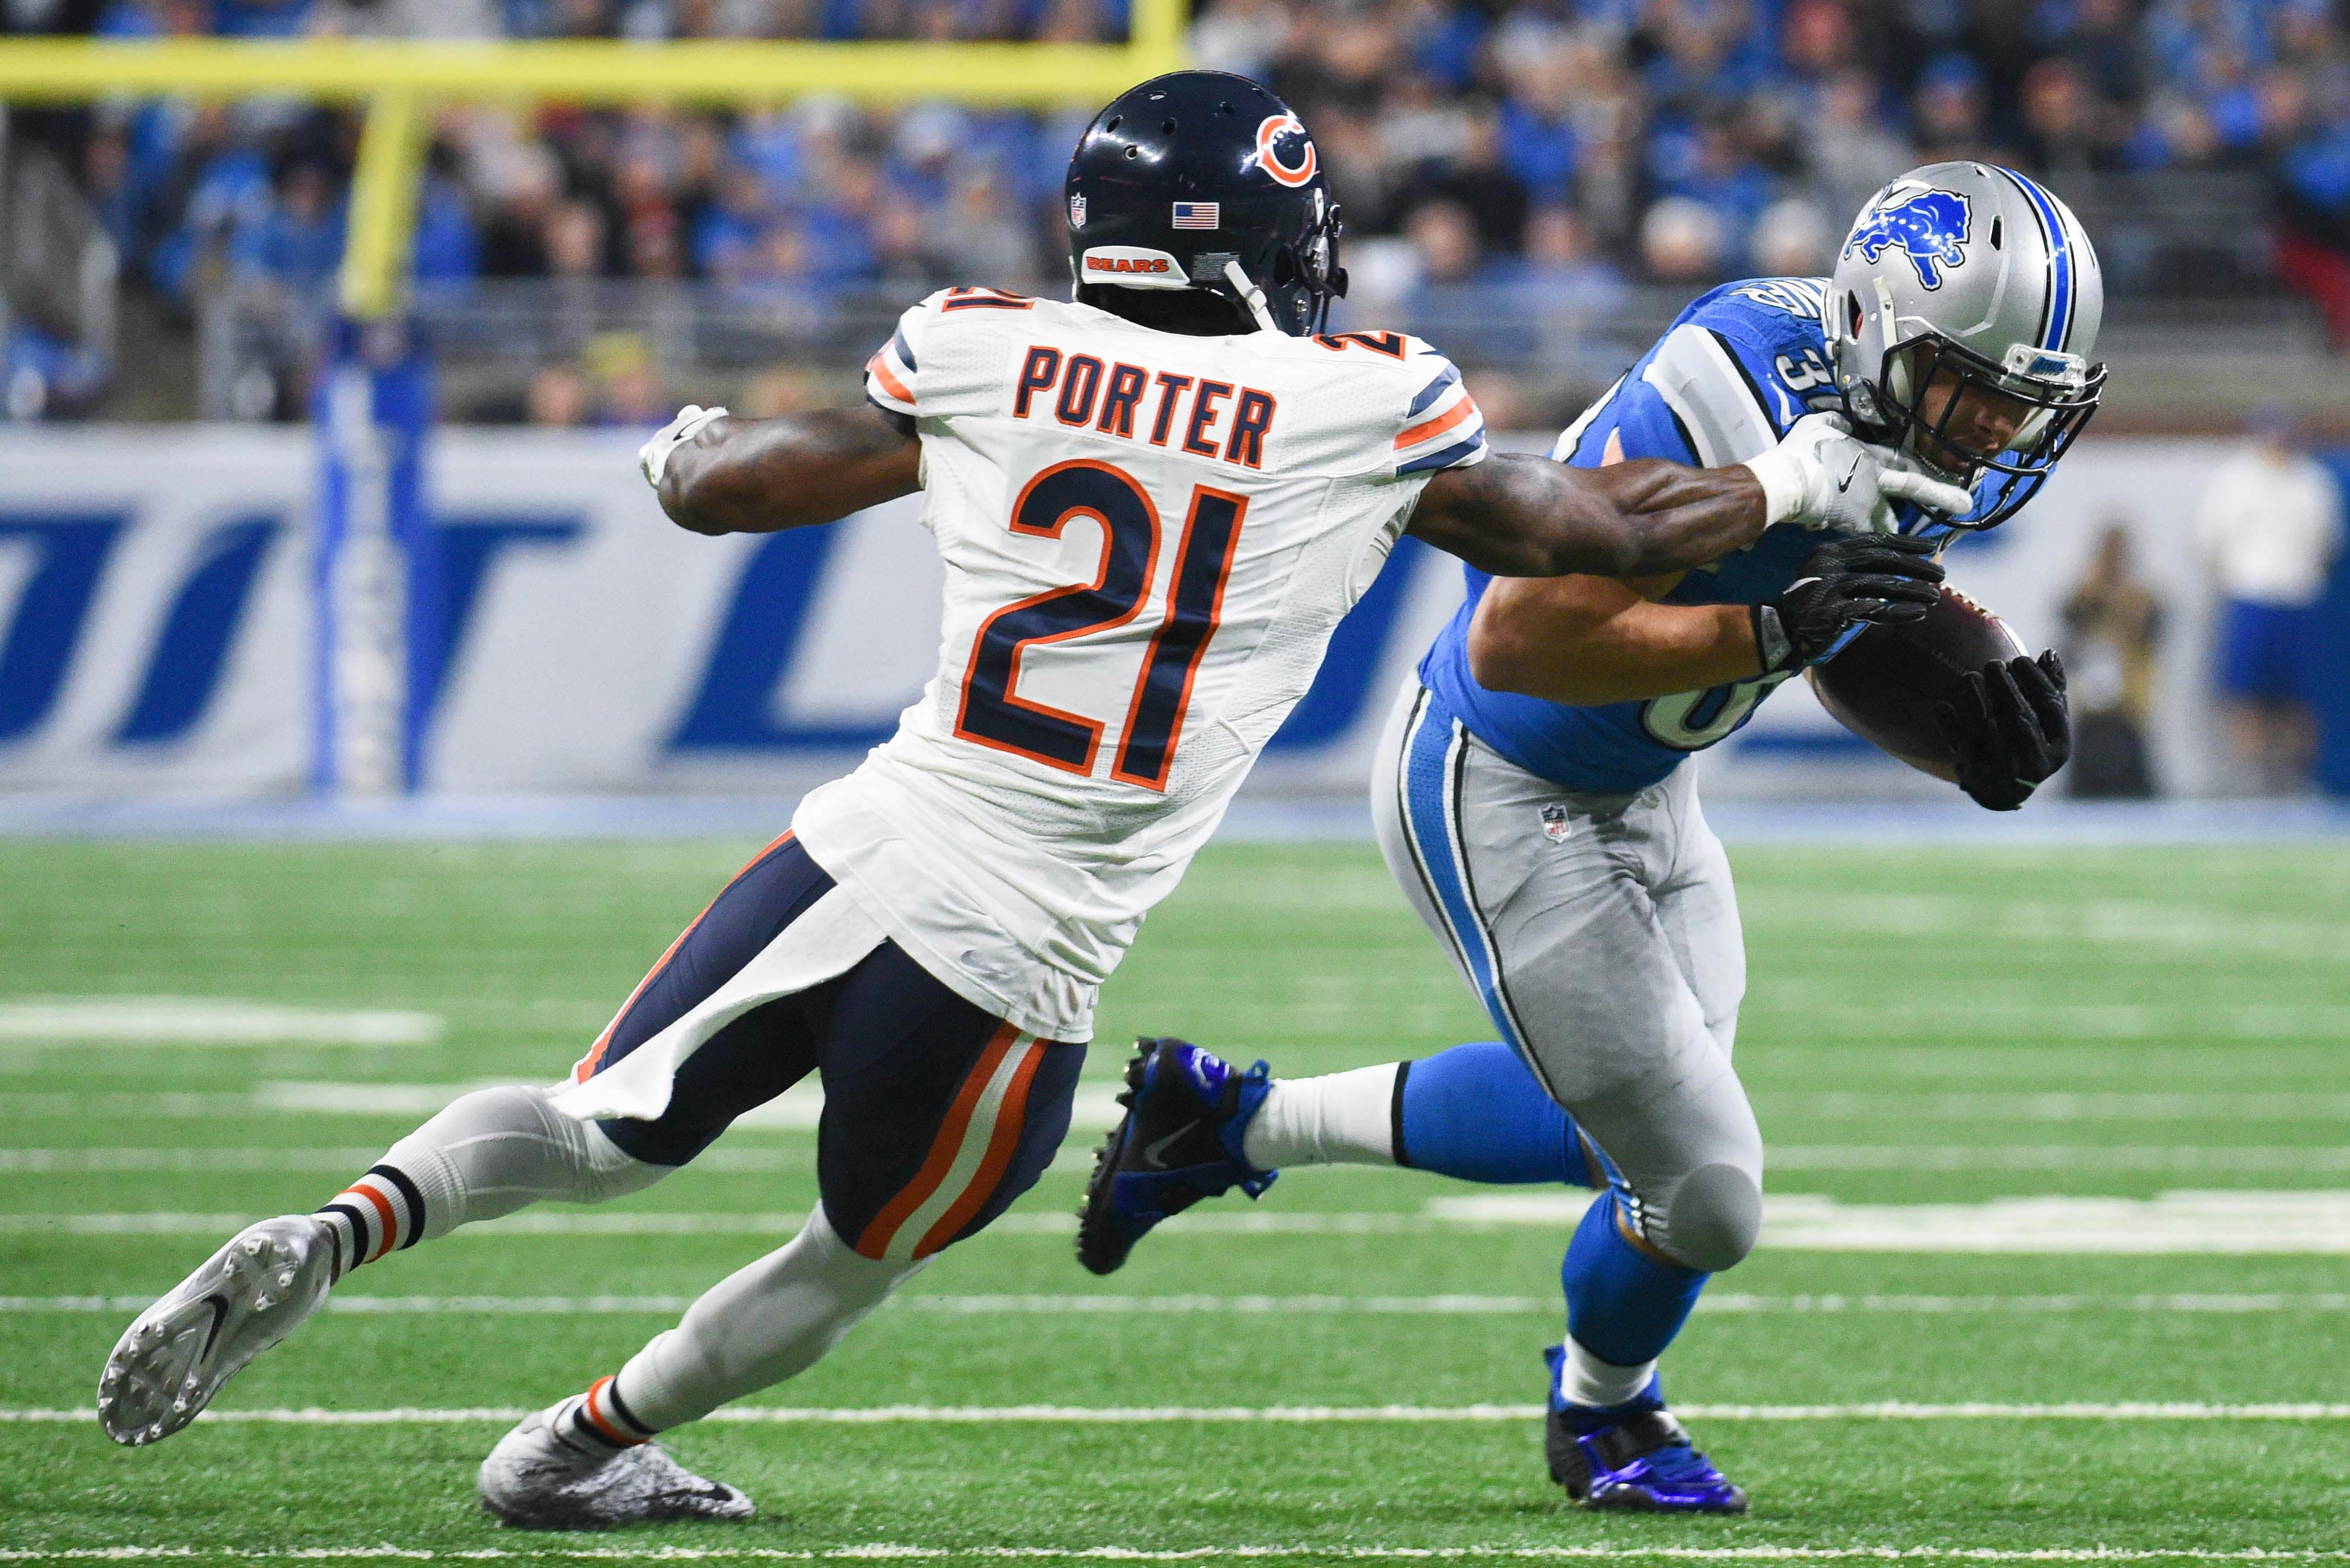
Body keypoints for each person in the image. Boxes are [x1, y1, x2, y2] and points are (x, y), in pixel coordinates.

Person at [94, 73, 1966, 1529]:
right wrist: (1793, 487)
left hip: (868, 841)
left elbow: (746, 483)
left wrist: (673, 457)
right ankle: (576, 1448)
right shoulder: (1354, 401)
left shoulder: (985, 346)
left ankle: (351, 1221)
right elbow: (1593, 525)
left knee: (608, 1123)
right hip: (1019, 958)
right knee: (849, 1260)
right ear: (1250, 242)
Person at [1080, 163, 2105, 1515]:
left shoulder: (1916, 426)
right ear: (1874, 327)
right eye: (1972, 387)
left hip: (1647, 788)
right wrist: (1770, 629)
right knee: (1703, 1189)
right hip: (1500, 775)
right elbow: (1518, 637)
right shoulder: (1732, 376)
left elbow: (1836, 618)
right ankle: (1603, 1414)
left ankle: (1222, 1118)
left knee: (1628, 1133)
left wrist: (1956, 746)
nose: (1988, 428)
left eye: (2023, 402)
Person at [2194, 407, 2343, 794]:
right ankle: (2250, 783)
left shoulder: (2312, 482)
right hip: (2251, 597)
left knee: (2299, 697)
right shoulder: (2234, 480)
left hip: (2297, 597)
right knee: (2245, 694)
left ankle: (2296, 781)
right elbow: (2209, 542)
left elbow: (2327, 544)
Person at [2061, 521, 2164, 798]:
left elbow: (2153, 634)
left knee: (2136, 790)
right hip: (2090, 713)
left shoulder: (2142, 601)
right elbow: (2069, 631)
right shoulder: (2082, 598)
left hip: (2128, 711)